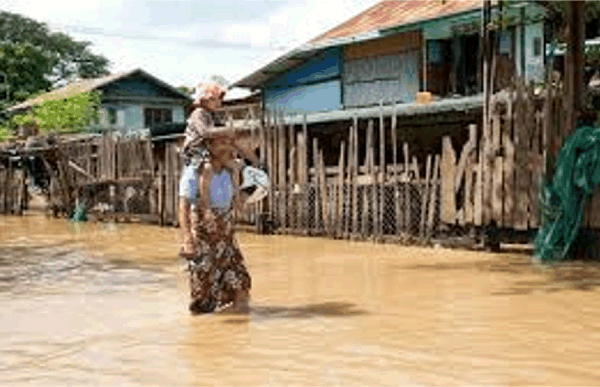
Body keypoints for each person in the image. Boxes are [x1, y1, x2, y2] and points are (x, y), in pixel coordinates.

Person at [187, 135, 261, 314]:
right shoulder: (206, 169)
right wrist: (209, 218)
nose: (226, 149)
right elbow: (204, 200)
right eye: (220, 144)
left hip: (225, 224)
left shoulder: (232, 169)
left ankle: (236, 316)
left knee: (237, 277)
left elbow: (256, 164)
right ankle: (204, 312)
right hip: (207, 224)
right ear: (210, 147)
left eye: (227, 145)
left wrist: (239, 201)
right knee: (206, 275)